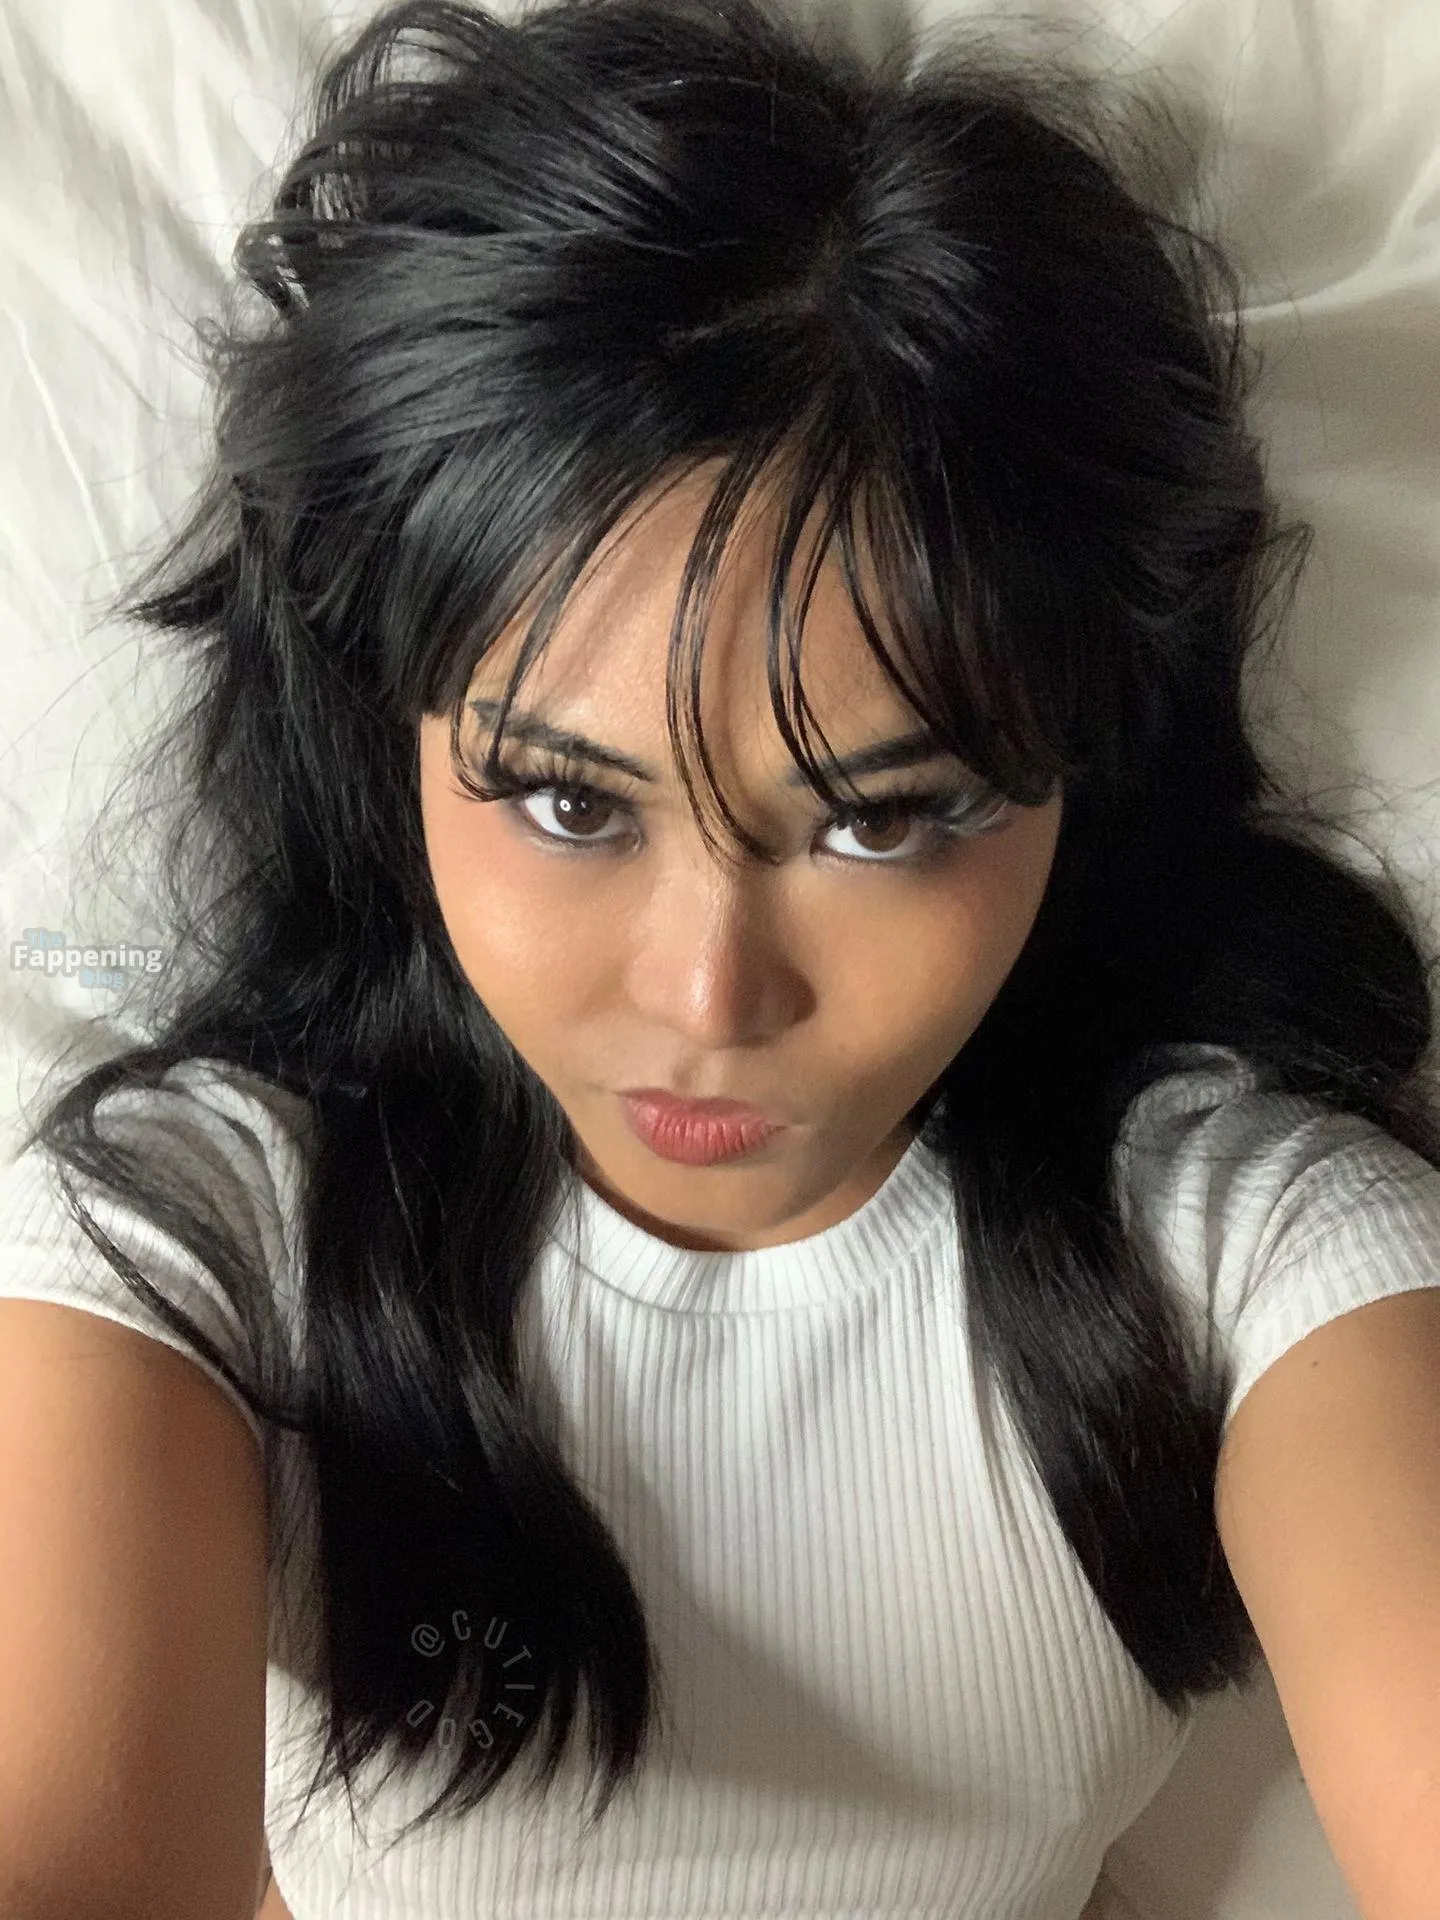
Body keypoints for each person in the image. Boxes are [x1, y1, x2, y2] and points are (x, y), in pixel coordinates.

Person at [2, 1, 1438, 1916]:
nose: (709, 1000)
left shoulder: (1238, 1248)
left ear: (1084, 770)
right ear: (383, 735)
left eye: (882, 822)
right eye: (567, 803)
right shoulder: (203, 1241)